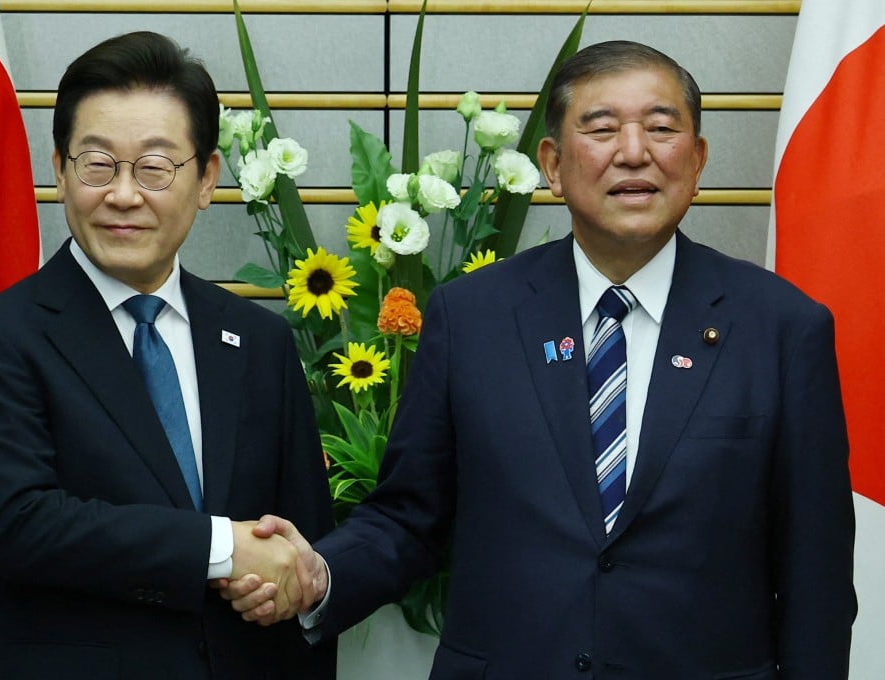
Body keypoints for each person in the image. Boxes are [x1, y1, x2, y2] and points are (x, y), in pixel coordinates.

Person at [223, 40, 857, 678]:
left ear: (696, 161)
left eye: (661, 128)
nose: (633, 151)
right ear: (552, 164)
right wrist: (321, 573)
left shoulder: (781, 328)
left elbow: (819, 576)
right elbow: (409, 518)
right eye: (602, 129)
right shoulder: (472, 317)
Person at [0, 31, 334, 679]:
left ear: (206, 179)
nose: (124, 194)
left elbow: (304, 536)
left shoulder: (259, 339)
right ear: (60, 170)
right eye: (98, 164)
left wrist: (306, 579)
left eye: (155, 167)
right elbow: (22, 526)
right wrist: (222, 547)